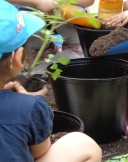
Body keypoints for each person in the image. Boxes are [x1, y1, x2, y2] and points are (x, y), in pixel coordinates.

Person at [0, 1, 102, 161]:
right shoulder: (30, 108)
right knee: (82, 143)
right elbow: (39, 152)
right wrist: (25, 105)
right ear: (18, 59)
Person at [6, 0, 95, 57]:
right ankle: (38, 51)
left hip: (62, 6)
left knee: (75, 14)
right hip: (23, 7)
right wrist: (38, 2)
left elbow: (87, 1)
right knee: (33, 27)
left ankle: (73, 48)